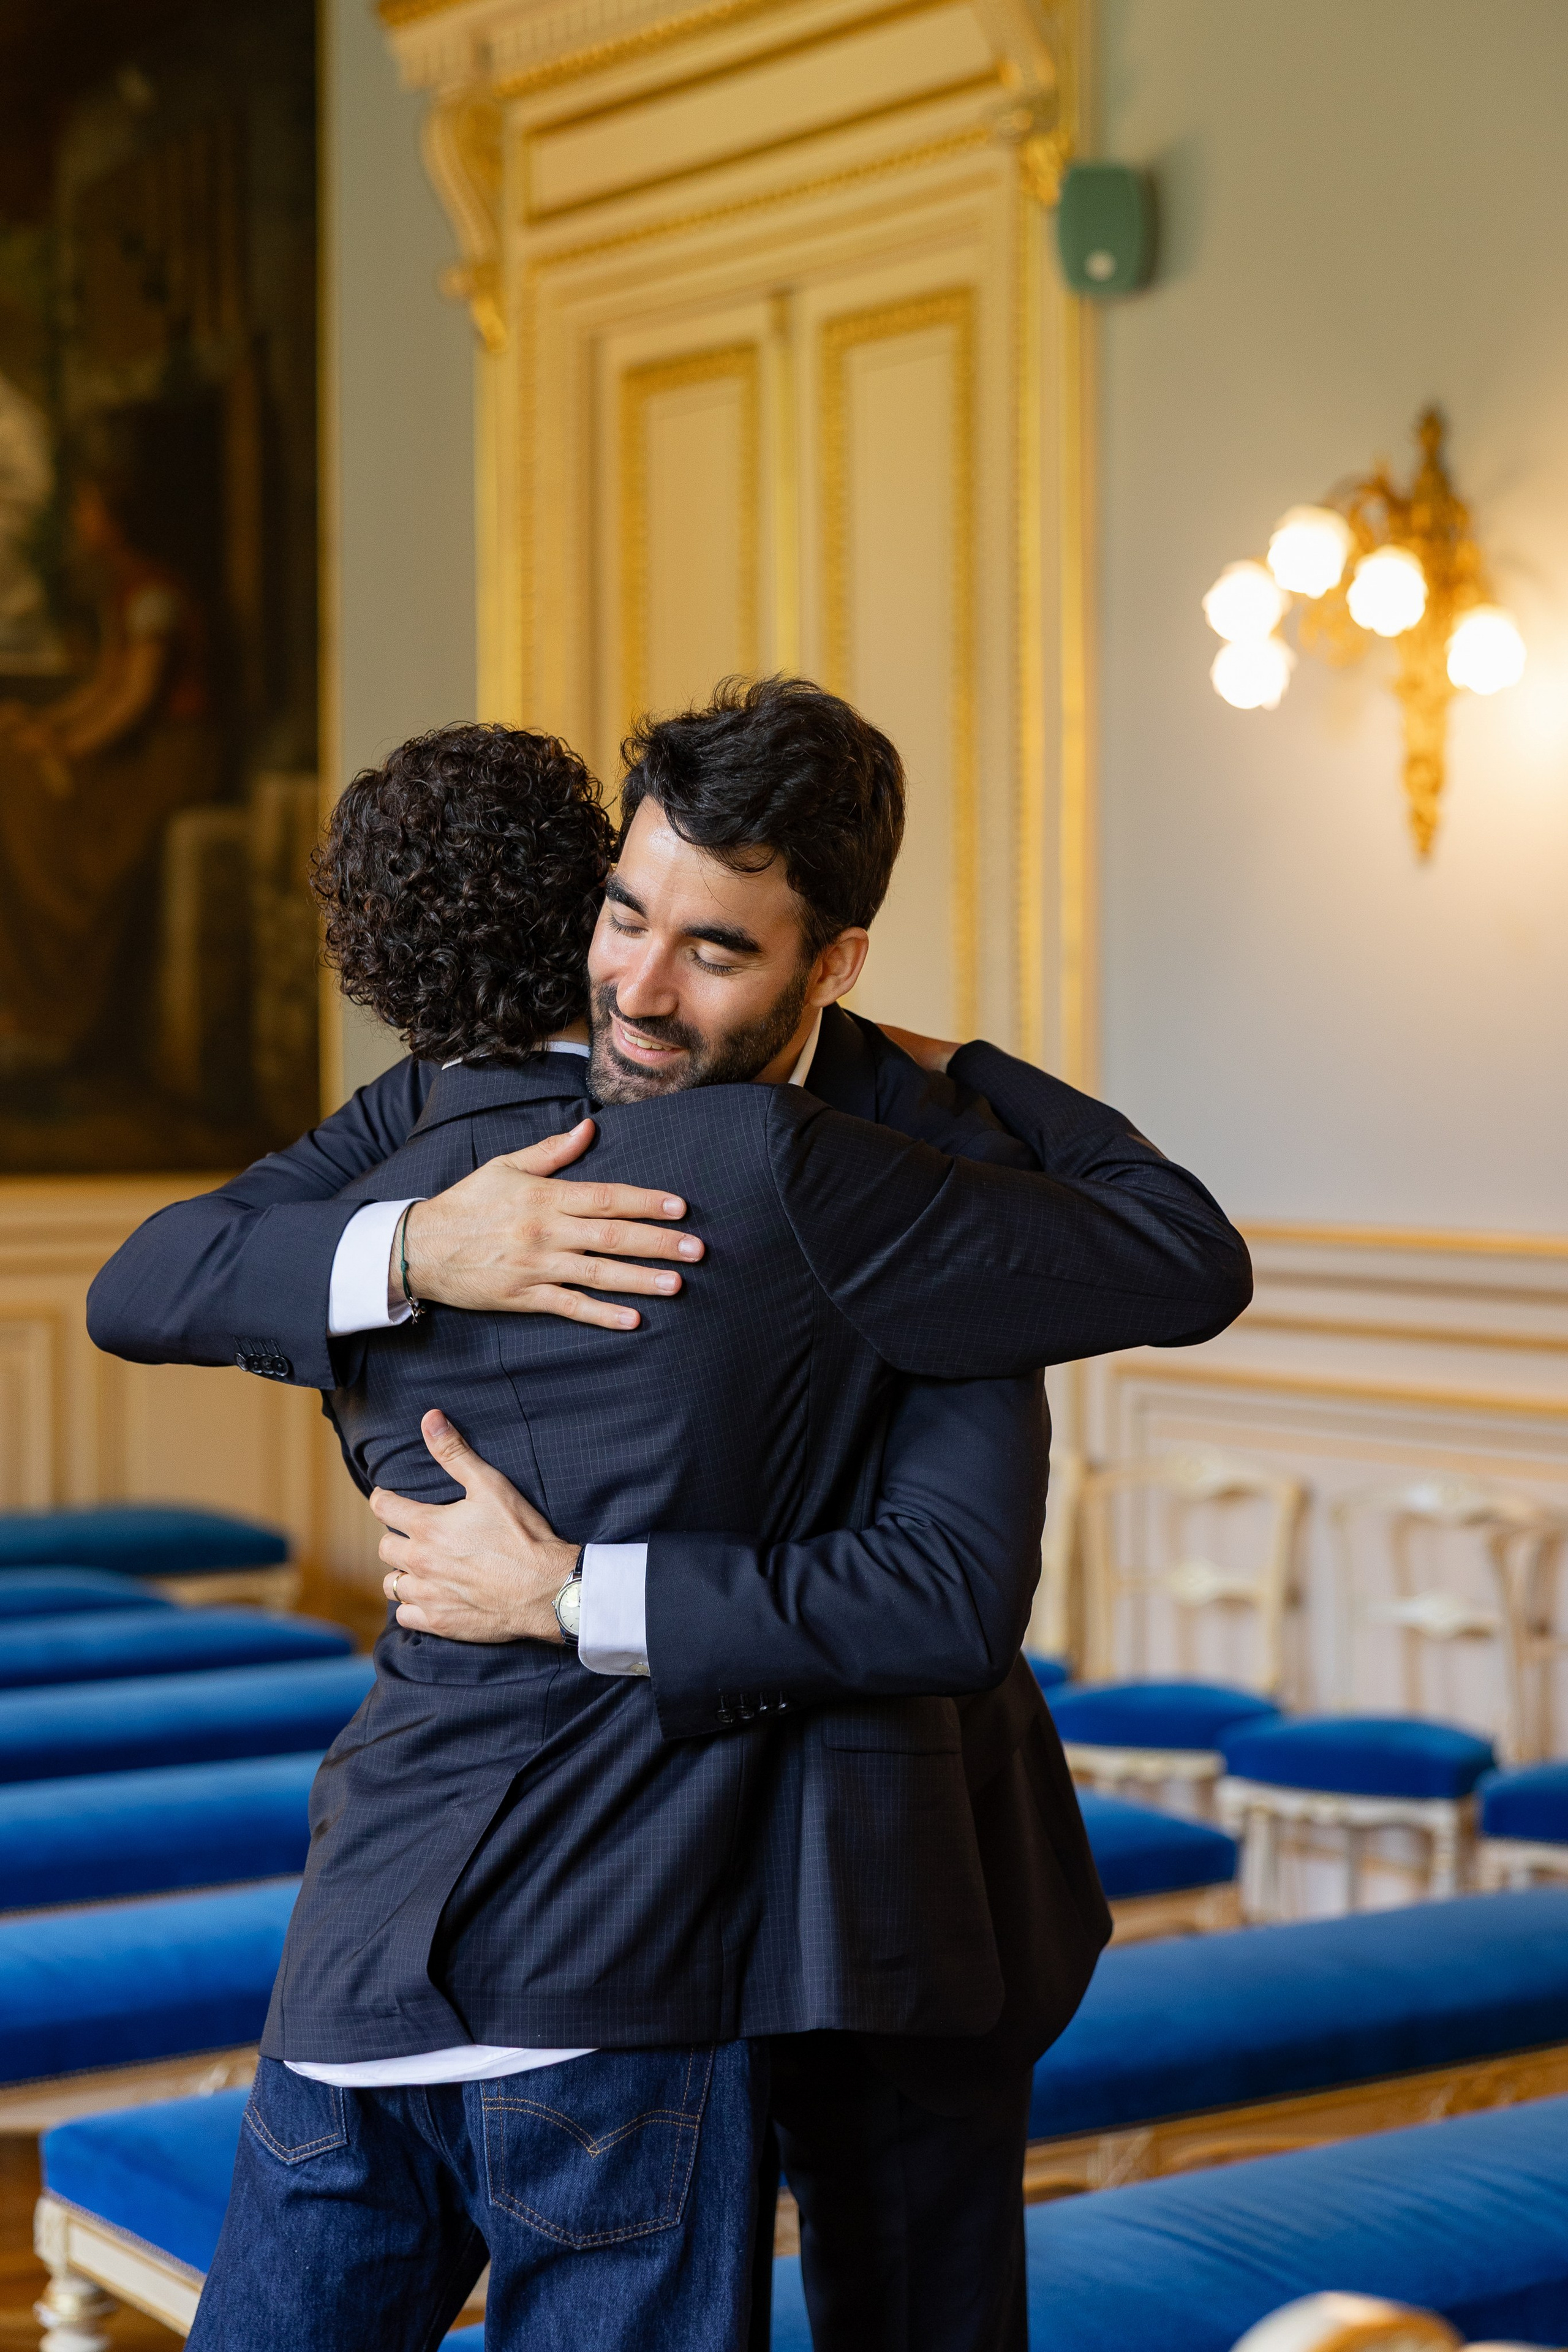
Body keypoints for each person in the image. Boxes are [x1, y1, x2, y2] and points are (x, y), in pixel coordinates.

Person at [89, 682, 1251, 2351]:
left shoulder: (909, 1159)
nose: (634, 983)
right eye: (622, 915)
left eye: (712, 950)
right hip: (578, 1900)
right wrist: (422, 1249)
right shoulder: (442, 1121)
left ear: (829, 963)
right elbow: (156, 1278)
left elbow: (957, 1575)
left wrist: (579, 1595)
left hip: (880, 1871)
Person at [0, 472, 216, 1071]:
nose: (78, 519)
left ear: (116, 521)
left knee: (74, 845)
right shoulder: (123, 589)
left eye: (87, 508)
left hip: (169, 756)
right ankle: (31, 991)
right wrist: (50, 729)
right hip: (138, 748)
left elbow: (136, 698)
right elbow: (105, 684)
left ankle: (57, 997)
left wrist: (69, 751)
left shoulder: (154, 593)